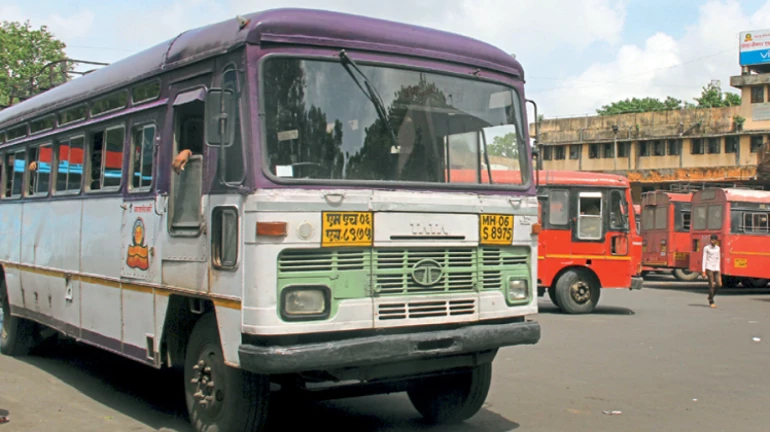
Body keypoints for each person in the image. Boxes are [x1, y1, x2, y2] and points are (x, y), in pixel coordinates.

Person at [701, 234, 721, 308]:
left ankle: (710, 296)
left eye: (714, 240)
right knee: (711, 285)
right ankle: (711, 301)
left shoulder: (718, 248)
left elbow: (718, 259)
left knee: (719, 284)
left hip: (716, 268)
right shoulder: (706, 248)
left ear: (716, 240)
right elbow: (704, 259)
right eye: (711, 240)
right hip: (709, 267)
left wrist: (719, 270)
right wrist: (703, 271)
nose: (712, 241)